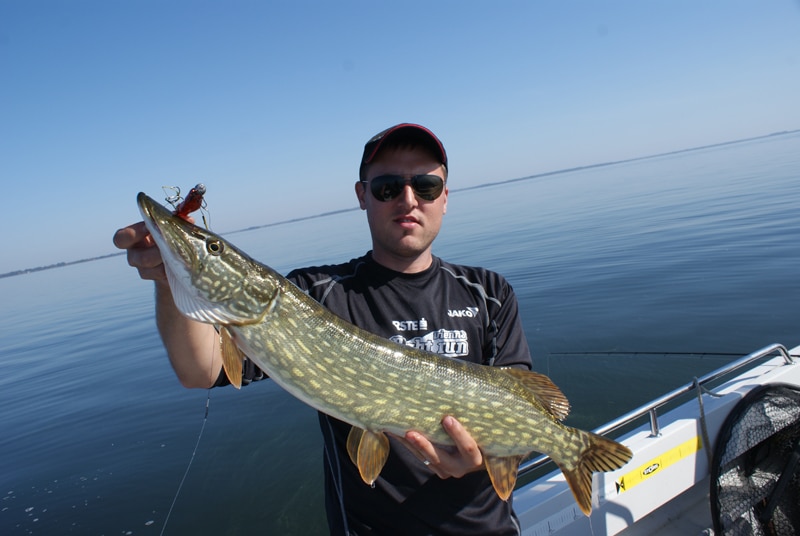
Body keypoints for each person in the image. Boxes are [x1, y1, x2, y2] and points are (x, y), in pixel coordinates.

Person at [114, 123, 533, 535]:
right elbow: (200, 371)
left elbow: (529, 420)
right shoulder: (314, 295)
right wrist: (169, 281)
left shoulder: (489, 292)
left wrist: (484, 457)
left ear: (444, 197)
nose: (408, 199)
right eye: (387, 186)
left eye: (425, 186)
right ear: (362, 195)